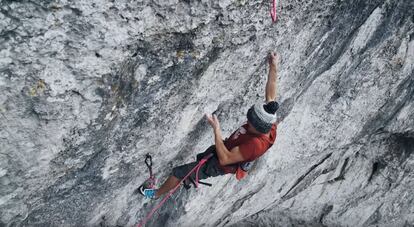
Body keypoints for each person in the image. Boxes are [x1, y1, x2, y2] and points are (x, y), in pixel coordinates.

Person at [140, 51, 280, 199]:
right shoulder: (269, 119)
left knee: (179, 172)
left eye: (251, 122)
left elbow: (225, 159)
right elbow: (271, 93)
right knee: (200, 158)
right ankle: (189, 177)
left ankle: (155, 194)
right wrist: (273, 65)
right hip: (225, 148)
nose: (248, 122)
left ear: (258, 128)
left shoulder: (256, 145)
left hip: (220, 164)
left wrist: (216, 130)